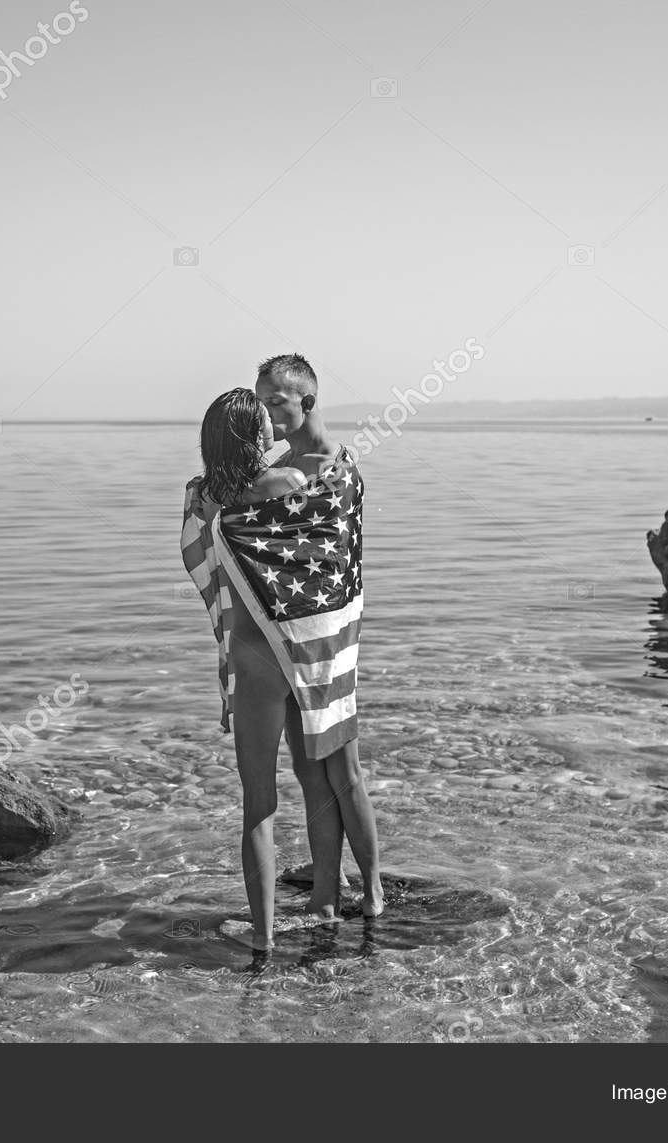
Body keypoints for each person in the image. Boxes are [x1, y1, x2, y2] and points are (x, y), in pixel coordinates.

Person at [186, 366, 383, 953]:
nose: (272, 417)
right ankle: (362, 895)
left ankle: (266, 936)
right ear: (254, 434)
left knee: (260, 804)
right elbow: (329, 553)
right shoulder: (296, 479)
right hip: (309, 649)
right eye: (263, 411)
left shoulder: (205, 496)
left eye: (277, 403)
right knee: (331, 776)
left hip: (254, 662)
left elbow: (204, 544)